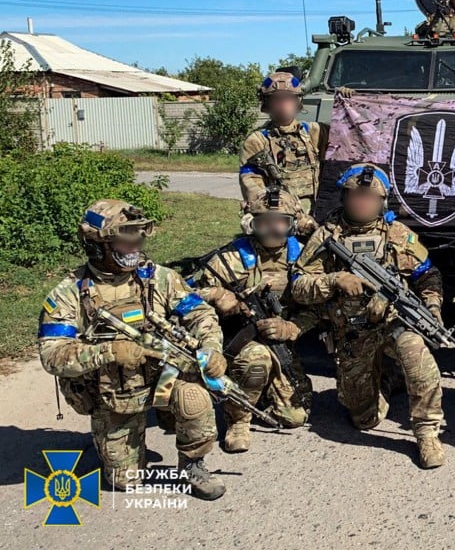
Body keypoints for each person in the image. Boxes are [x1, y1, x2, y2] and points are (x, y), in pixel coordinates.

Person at [37, 200, 226, 499]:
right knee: (127, 481)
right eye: (124, 241)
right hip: (112, 394)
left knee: (194, 398)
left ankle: (192, 463)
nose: (134, 246)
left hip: (163, 378)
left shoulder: (159, 277)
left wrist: (212, 348)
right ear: (96, 245)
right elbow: (52, 355)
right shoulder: (68, 293)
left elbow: (200, 314)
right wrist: (110, 352)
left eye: (138, 237)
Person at [291, 163, 447, 468]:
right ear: (344, 197)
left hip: (392, 324)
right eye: (356, 196)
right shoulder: (326, 235)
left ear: (382, 202)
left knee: (417, 355)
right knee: (365, 419)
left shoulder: (396, 234)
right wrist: (333, 281)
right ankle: (387, 380)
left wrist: (432, 308)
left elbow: (428, 275)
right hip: (351, 331)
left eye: (370, 198)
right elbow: (297, 285)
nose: (362, 203)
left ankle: (427, 433)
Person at [188, 188, 315, 453]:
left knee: (295, 417)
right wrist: (216, 294)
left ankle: (253, 393)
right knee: (257, 359)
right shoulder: (230, 258)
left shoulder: (305, 257)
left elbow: (321, 306)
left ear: (292, 224)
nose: (273, 229)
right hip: (242, 342)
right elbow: (181, 295)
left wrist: (293, 327)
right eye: (264, 222)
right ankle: (237, 420)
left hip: (282, 342)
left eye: (281, 222)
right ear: (251, 224)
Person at [239, 71, 353, 234]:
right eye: (277, 99)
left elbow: (351, 140)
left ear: (298, 100)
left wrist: (347, 103)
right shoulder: (256, 141)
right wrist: (294, 217)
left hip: (323, 216)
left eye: (289, 98)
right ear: (267, 103)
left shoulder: (315, 131)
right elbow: (254, 189)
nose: (283, 104)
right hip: (280, 221)